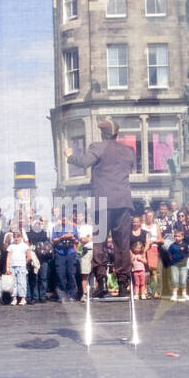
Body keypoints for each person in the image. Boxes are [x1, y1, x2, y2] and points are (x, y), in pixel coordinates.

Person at [66, 119, 135, 297]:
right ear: (116, 134)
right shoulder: (128, 151)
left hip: (102, 201)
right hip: (123, 201)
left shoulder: (97, 147)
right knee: (122, 244)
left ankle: (102, 282)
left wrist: (70, 155)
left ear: (103, 134)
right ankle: (122, 285)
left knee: (100, 242)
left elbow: (84, 162)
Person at [4, 225, 36, 305]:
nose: (16, 238)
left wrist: (24, 263)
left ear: (21, 237)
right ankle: (14, 298)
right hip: (12, 266)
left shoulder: (24, 246)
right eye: (15, 237)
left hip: (21, 266)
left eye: (18, 237)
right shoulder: (11, 246)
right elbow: (8, 257)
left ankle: (23, 298)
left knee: (22, 282)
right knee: (13, 283)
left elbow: (29, 256)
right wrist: (7, 268)